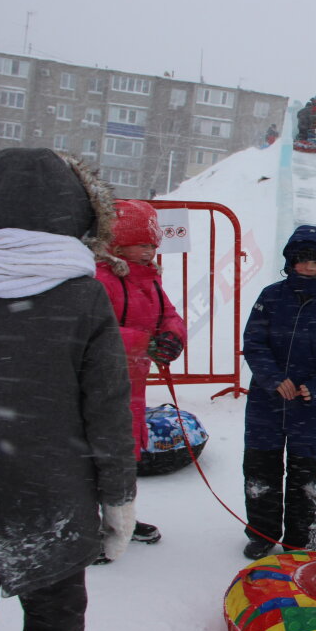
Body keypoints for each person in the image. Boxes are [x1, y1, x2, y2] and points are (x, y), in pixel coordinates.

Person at [0, 148, 137, 631]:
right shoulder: (83, 297)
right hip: (53, 504)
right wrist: (117, 499)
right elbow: (108, 410)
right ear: (76, 216)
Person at [241, 225, 316, 559]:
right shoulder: (271, 297)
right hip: (267, 401)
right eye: (302, 259)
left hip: (311, 409)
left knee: (305, 475)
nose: (308, 266)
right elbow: (254, 342)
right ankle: (262, 533)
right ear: (291, 261)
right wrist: (272, 377)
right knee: (261, 469)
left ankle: (299, 539)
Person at [94, 198, 188, 550]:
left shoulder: (148, 279)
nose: (149, 251)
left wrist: (172, 336)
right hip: (102, 384)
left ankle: (121, 521)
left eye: (152, 244)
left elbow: (169, 314)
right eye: (141, 244)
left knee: (125, 453)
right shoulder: (101, 280)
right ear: (118, 244)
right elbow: (95, 333)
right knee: (101, 456)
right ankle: (92, 529)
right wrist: (144, 343)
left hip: (133, 384)